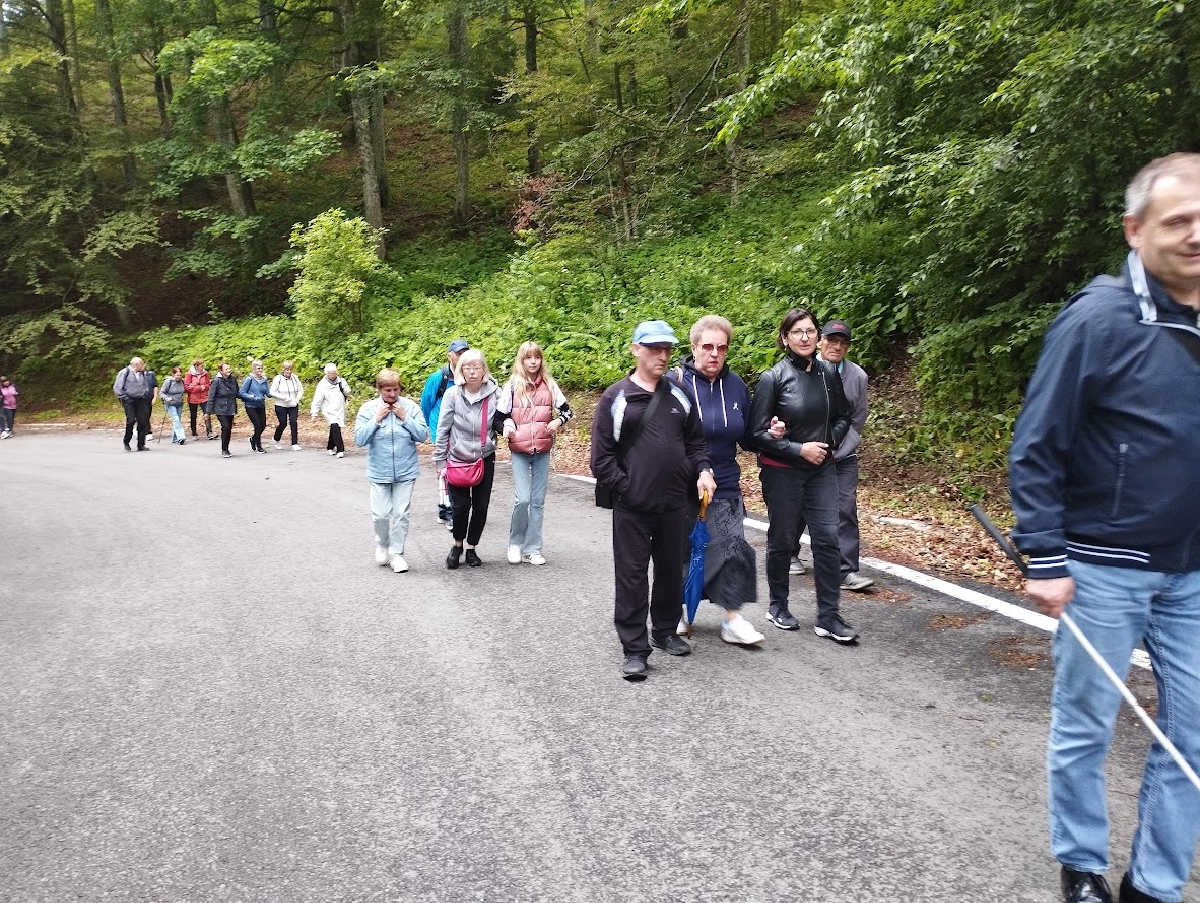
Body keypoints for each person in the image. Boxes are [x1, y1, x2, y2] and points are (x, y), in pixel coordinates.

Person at [1009, 153, 1200, 903]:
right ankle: (1082, 862)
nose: (1194, 234)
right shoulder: (1098, 318)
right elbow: (1037, 442)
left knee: (1192, 733)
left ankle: (1153, 882)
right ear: (1135, 229)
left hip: (1193, 569)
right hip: (1100, 565)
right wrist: (1045, 554)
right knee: (1086, 723)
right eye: (1177, 219)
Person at [590, 320, 715, 681]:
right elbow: (601, 459)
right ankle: (634, 648)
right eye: (655, 349)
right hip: (632, 506)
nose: (663, 356)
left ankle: (663, 632)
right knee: (631, 576)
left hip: (675, 503)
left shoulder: (678, 394)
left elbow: (695, 443)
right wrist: (627, 488)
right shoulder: (616, 398)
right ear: (636, 350)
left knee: (670, 571)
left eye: (667, 349)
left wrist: (703, 470)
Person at [749, 309, 856, 643]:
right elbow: (755, 434)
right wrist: (797, 448)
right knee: (783, 539)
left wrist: (828, 443)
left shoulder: (828, 373)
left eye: (810, 331)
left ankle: (828, 616)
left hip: (822, 468)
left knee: (827, 539)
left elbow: (843, 416)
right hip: (783, 472)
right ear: (785, 338)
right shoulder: (773, 378)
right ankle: (778, 604)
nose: (806, 337)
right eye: (798, 332)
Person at [673, 315, 766, 646]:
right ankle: (679, 611)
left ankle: (732, 618)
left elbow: (749, 438)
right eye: (708, 347)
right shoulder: (676, 383)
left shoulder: (737, 385)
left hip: (725, 480)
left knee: (731, 547)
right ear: (694, 347)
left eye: (721, 348)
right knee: (684, 548)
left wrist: (771, 432)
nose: (714, 354)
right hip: (682, 482)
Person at [792, 320, 873, 591]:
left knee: (845, 507)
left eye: (843, 342)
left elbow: (857, 418)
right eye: (831, 340)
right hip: (805, 452)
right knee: (800, 506)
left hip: (842, 455)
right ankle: (789, 552)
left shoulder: (857, 377)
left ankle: (845, 569)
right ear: (820, 341)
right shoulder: (801, 368)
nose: (836, 346)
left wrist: (840, 448)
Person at [495, 341, 574, 566]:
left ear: (541, 360)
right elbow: (498, 419)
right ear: (521, 361)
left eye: (536, 357)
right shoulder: (512, 386)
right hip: (519, 449)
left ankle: (533, 548)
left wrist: (557, 421)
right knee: (523, 499)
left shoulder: (549, 384)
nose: (533, 362)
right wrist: (507, 428)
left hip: (542, 448)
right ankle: (515, 543)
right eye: (528, 358)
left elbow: (567, 411)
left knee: (538, 501)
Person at [354, 370, 429, 573]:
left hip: (406, 470)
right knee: (380, 515)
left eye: (396, 389)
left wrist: (405, 418)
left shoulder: (410, 407)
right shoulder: (368, 409)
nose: (392, 394)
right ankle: (382, 543)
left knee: (401, 513)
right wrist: (376, 420)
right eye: (388, 390)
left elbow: (423, 435)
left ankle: (397, 554)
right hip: (379, 471)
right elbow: (359, 439)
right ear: (379, 389)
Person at [433, 349, 499, 569]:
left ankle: (471, 547)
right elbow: (443, 429)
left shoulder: (494, 393)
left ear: (483, 370)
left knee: (481, 506)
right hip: (457, 459)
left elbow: (504, 416)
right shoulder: (453, 395)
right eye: (467, 368)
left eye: (476, 367)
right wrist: (440, 461)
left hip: (484, 457)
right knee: (461, 507)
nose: (472, 372)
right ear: (461, 370)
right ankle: (457, 544)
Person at [422, 339, 470, 529]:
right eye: (459, 354)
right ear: (450, 356)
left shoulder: (470, 376)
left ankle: (444, 507)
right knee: (448, 469)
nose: (462, 357)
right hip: (441, 429)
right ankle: (450, 511)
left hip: (462, 430)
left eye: (465, 353)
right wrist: (432, 427)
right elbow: (426, 403)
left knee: (453, 469)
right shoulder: (438, 378)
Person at [113, 357, 158, 451]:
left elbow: (146, 385)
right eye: (142, 364)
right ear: (137, 364)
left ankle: (141, 444)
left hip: (141, 399)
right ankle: (126, 441)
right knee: (131, 420)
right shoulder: (125, 372)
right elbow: (117, 387)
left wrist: (145, 393)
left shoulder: (142, 373)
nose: (143, 366)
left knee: (143, 421)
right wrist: (124, 398)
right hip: (129, 400)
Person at [310, 363, 351, 457]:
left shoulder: (341, 381)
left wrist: (346, 390)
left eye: (334, 373)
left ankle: (330, 447)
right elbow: (317, 399)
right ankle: (340, 449)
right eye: (330, 373)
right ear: (326, 373)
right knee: (335, 425)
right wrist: (314, 413)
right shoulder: (322, 385)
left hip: (339, 408)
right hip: (328, 409)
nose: (332, 375)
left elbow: (347, 390)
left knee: (335, 427)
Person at [206, 362, 239, 458]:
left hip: (230, 407)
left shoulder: (233, 379)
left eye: (229, 368)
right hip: (220, 408)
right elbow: (211, 397)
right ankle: (224, 449)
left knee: (228, 428)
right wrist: (208, 412)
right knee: (225, 426)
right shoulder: (216, 381)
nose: (229, 370)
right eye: (226, 369)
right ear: (221, 371)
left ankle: (226, 448)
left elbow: (237, 392)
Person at [270, 360, 304, 450]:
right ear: (283, 369)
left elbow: (300, 390)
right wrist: (284, 398)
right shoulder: (278, 379)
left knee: (293, 422)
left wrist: (297, 399)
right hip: (281, 405)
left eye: (290, 369)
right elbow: (272, 391)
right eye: (287, 369)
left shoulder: (295, 378)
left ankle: (294, 443)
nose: (289, 371)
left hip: (293, 405)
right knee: (283, 423)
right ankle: (276, 438)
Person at [239, 360, 270, 454]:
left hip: (261, 405)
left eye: (261, 368)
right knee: (257, 425)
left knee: (263, 425)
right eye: (258, 368)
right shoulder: (249, 379)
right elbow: (241, 393)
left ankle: (253, 439)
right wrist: (252, 397)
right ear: (253, 369)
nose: (260, 370)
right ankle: (259, 446)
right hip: (251, 406)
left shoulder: (264, 380)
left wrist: (275, 393)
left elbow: (267, 392)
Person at [184, 359, 212, 439]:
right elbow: (187, 387)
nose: (202, 367)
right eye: (201, 366)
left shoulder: (205, 373)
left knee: (207, 413)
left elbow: (208, 384)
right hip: (193, 398)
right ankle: (194, 433)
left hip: (204, 397)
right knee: (193, 415)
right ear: (196, 366)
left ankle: (209, 432)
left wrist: (204, 387)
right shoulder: (189, 374)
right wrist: (199, 388)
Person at [160, 366, 187, 445]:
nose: (179, 377)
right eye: (177, 375)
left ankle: (175, 438)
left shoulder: (182, 381)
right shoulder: (168, 382)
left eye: (180, 375)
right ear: (173, 375)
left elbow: (185, 390)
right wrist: (166, 398)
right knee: (176, 419)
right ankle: (181, 437)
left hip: (179, 403)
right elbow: (161, 393)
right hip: (170, 404)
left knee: (178, 419)